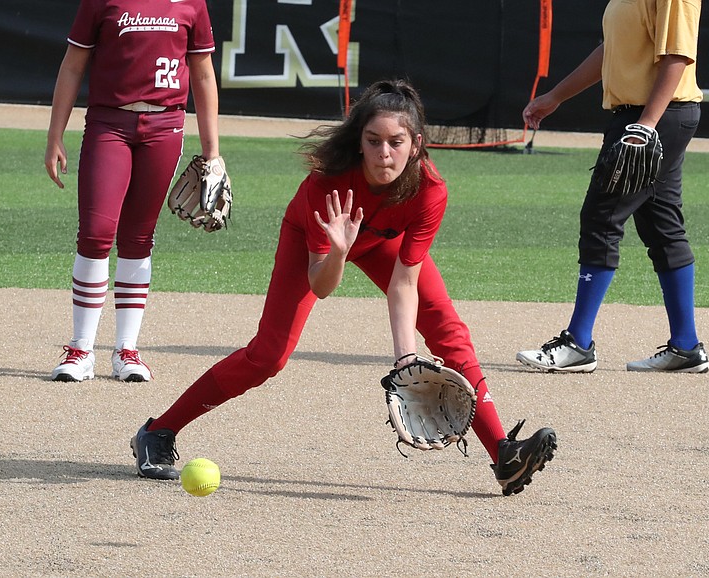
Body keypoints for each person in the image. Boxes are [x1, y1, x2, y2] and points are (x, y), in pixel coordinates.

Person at [130, 79, 557, 496]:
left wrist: (405, 358)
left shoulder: (430, 190)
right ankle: (158, 430)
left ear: (417, 144)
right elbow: (322, 284)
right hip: (315, 241)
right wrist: (337, 252)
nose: (384, 153)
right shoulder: (327, 185)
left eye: (396, 142)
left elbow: (405, 282)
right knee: (268, 356)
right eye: (373, 140)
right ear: (359, 141)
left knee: (447, 329)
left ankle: (504, 454)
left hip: (380, 239)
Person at [516, 0, 709, 374]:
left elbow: (678, 57)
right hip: (646, 117)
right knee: (661, 226)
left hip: (654, 118)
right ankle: (686, 347)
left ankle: (578, 343)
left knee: (602, 218)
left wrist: (647, 125)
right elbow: (610, 49)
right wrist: (555, 96)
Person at [45, 0, 221, 382]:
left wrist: (213, 153)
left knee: (139, 237)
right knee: (95, 234)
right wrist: (54, 135)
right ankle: (81, 349)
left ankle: (127, 350)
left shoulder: (191, 3)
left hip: (165, 126)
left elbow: (203, 75)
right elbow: (73, 64)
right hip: (109, 123)